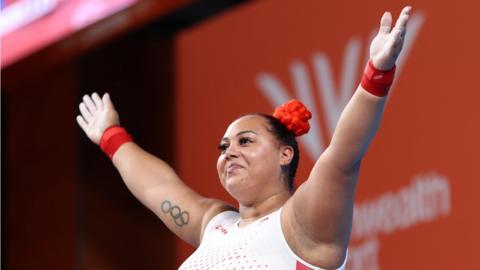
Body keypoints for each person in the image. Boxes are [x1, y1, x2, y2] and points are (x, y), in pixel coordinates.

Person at [76, 6, 412, 270]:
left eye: (245, 141)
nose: (229, 153)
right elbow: (158, 189)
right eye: (224, 147)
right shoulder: (215, 225)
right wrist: (111, 136)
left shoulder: (302, 223)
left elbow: (342, 158)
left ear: (285, 154)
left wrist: (376, 76)